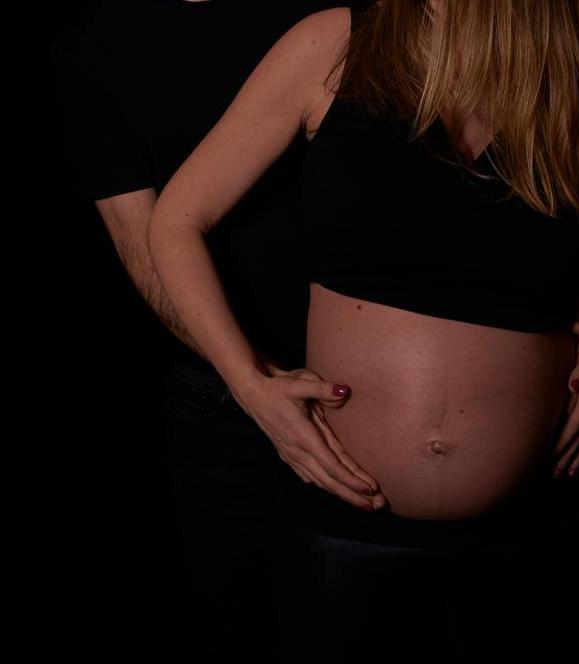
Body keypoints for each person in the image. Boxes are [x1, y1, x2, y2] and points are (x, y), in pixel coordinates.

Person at [147, 0, 579, 661]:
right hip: (343, 527)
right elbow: (177, 221)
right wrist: (251, 386)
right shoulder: (334, 45)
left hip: (534, 527)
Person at [55, 0, 381, 660]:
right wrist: (257, 383)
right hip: (225, 404)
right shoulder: (104, 47)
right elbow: (145, 249)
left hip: (369, 391)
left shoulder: (331, 15)